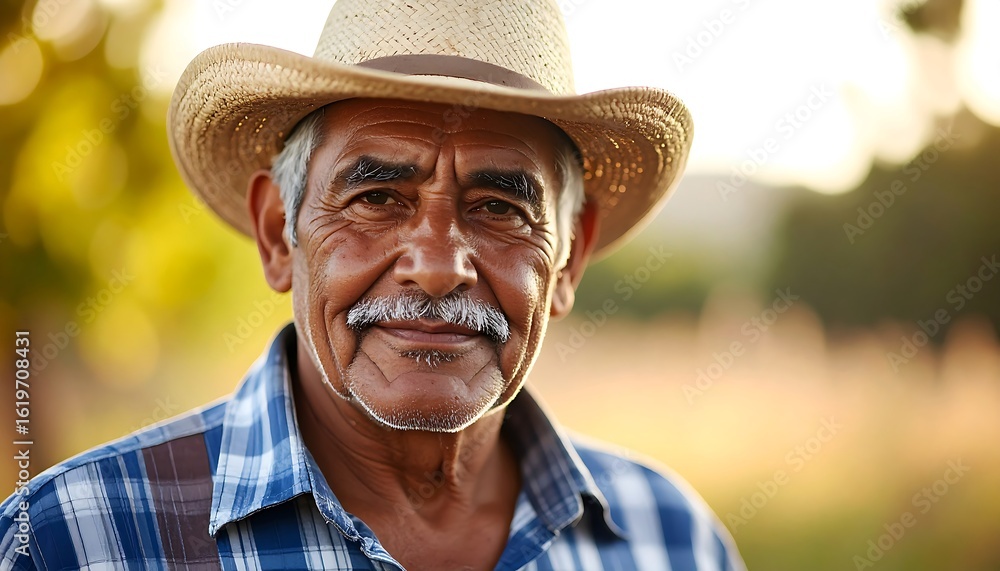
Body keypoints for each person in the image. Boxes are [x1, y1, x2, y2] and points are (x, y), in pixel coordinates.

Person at [0, 0, 744, 568]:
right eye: (377, 198)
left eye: (499, 207)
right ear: (276, 232)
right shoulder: (78, 538)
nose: (439, 263)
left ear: (570, 259)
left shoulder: (672, 540)